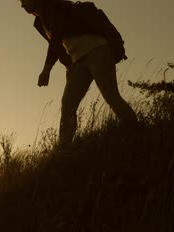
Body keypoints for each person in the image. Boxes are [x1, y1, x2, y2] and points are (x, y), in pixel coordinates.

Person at [20, 0, 139, 148]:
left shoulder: (52, 6)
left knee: (111, 96)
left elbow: (57, 35)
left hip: (97, 50)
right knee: (68, 103)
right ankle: (64, 150)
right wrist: (68, 66)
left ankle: (137, 132)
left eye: (24, 1)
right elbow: (58, 46)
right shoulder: (39, 23)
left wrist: (47, 69)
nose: (22, 5)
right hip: (77, 60)